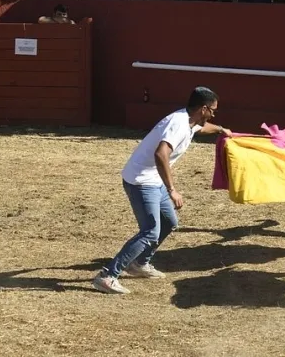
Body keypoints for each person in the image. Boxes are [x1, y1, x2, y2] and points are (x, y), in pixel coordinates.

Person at [93, 87, 232, 294]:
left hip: (153, 180)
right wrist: (172, 189)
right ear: (203, 109)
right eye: (213, 110)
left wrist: (220, 129)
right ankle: (107, 276)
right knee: (150, 232)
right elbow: (161, 154)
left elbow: (200, 129)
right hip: (141, 181)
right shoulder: (177, 124)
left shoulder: (189, 121)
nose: (213, 114)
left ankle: (139, 264)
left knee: (169, 222)